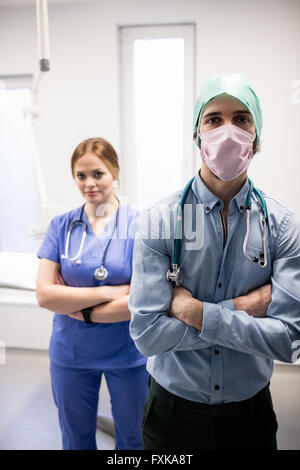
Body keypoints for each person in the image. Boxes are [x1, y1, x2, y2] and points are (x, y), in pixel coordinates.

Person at [128, 74, 300, 450]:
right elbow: (147, 335)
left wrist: (196, 312)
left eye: (241, 119)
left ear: (257, 136)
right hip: (171, 414)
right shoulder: (160, 221)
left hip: (249, 415)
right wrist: (241, 308)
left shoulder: (282, 225)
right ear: (197, 134)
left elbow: (289, 339)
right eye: (213, 119)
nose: (227, 131)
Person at [36, 137, 148, 450]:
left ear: (115, 173)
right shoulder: (62, 225)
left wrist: (75, 304)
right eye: (81, 175)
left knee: (134, 439)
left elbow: (141, 301)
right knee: (76, 439)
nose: (89, 183)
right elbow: (45, 295)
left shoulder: (139, 226)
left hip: (127, 353)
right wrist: (111, 291)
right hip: (70, 353)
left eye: (98, 174)